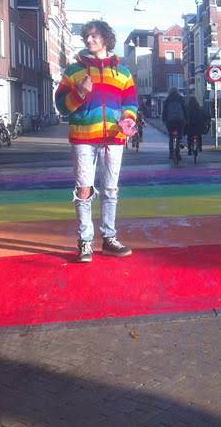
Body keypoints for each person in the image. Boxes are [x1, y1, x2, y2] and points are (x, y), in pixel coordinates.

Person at [54, 19, 138, 263]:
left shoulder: (122, 72)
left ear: (105, 38)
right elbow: (61, 105)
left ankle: (109, 239)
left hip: (114, 139)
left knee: (111, 190)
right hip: (83, 139)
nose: (89, 40)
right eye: (86, 37)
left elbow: (130, 102)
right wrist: (78, 92)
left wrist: (128, 120)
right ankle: (85, 242)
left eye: (94, 36)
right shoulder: (73, 71)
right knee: (84, 191)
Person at [162, 88, 188, 160]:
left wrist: (164, 119)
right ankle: (178, 151)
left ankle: (171, 154)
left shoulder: (167, 99)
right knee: (179, 136)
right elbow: (184, 109)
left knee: (171, 137)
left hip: (170, 121)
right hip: (180, 120)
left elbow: (164, 111)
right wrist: (186, 119)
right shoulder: (181, 98)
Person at [184, 96, 204, 161]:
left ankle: (189, 150)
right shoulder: (198, 108)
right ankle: (200, 147)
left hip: (190, 126)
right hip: (198, 126)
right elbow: (203, 115)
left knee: (189, 138)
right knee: (199, 136)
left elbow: (185, 117)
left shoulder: (187, 108)